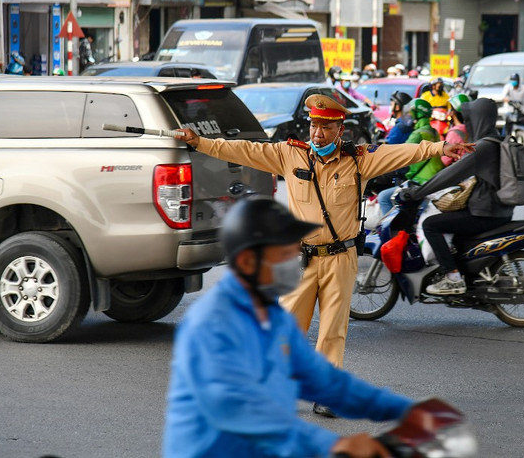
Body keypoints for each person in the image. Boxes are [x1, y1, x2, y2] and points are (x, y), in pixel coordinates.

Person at [174, 95, 473, 417]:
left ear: (340, 129)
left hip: (340, 258)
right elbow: (244, 150)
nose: (318, 134)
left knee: (333, 329)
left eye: (326, 128)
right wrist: (200, 142)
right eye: (315, 126)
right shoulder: (290, 155)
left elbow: (400, 152)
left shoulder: (359, 160)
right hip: (300, 260)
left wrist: (440, 147)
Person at [163, 196, 419, 458]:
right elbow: (242, 414)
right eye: (284, 253)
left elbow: (325, 381)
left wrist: (403, 409)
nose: (294, 258)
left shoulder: (275, 318)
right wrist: (333, 445)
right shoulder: (211, 324)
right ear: (248, 262)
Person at [398, 98, 514, 295]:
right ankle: (465, 273)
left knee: (431, 225)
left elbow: (450, 175)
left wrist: (418, 192)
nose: (467, 123)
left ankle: (453, 278)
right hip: (499, 210)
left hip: (484, 212)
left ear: (477, 119)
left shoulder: (483, 147)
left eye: (470, 119)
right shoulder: (498, 141)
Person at [377, 98, 444, 215]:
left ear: (417, 114)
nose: (409, 116)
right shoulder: (433, 132)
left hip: (420, 180)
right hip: (434, 177)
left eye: (411, 113)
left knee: (383, 197)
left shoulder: (417, 134)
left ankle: (390, 231)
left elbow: (402, 154)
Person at [441, 94, 470, 167]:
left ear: (453, 112)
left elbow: (446, 160)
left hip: (459, 170)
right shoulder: (474, 127)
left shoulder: (454, 133)